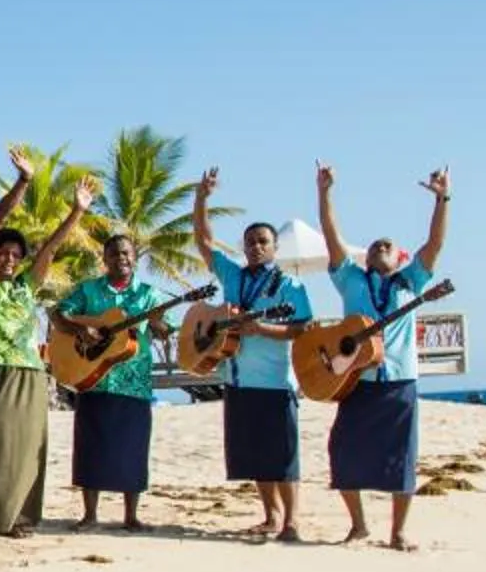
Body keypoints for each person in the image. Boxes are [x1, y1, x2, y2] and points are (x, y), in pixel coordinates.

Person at [318, 163, 452, 549]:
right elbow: (331, 236)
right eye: (375, 245)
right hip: (356, 380)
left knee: (402, 458)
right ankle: (358, 525)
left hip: (399, 381)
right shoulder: (351, 280)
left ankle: (398, 531)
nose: (380, 247)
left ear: (399, 258)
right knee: (342, 451)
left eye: (388, 246)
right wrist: (325, 192)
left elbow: (435, 244)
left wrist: (442, 198)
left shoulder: (411, 282)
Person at [0, 173, 97, 536]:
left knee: (26, 451)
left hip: (31, 373)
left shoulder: (26, 286)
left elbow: (51, 248)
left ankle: (19, 518)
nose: (8, 258)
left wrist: (76, 212)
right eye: (3, 253)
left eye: (15, 255)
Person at [191, 169, 319, 541]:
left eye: (263, 241)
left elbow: (302, 328)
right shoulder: (233, 276)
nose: (256, 247)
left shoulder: (288, 285)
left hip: (275, 380)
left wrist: (261, 329)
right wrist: (202, 199)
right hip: (236, 376)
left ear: (275, 247)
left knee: (283, 456)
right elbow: (204, 241)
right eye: (250, 242)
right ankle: (271, 515)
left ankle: (293, 520)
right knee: (255, 455)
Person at [53, 228, 177, 531]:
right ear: (104, 259)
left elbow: (164, 327)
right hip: (93, 378)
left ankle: (131, 516)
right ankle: (90, 515)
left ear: (134, 259)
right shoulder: (89, 290)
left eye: (126, 253)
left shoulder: (148, 294)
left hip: (133, 382)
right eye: (114, 253)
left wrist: (161, 325)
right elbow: (59, 315)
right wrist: (81, 330)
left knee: (133, 447)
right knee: (90, 446)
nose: (120, 257)